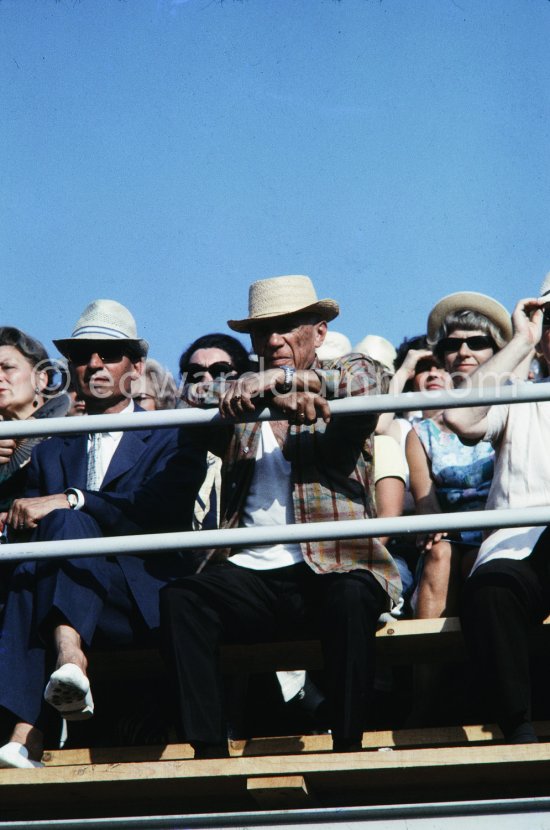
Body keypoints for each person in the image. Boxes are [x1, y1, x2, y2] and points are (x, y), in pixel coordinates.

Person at [160, 274, 401, 758]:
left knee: (353, 595)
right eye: (263, 331)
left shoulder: (345, 373)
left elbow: (372, 378)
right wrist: (269, 392)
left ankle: (348, 745)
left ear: (319, 332)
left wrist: (291, 380)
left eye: (289, 326)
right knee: (182, 600)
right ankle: (208, 754)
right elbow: (188, 399)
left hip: (331, 563)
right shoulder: (238, 390)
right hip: (248, 572)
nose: (274, 340)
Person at [0, 299, 205, 768]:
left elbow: (154, 509)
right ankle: (65, 667)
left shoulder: (171, 433)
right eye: (82, 354)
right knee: (29, 567)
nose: (94, 364)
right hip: (64, 592)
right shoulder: (51, 450)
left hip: (136, 595)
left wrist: (74, 499)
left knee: (62, 527)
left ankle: (30, 727)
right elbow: (30, 528)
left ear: (134, 367)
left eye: (108, 354)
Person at [444, 277, 550, 744]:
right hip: (521, 543)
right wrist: (519, 341)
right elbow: (460, 417)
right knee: (490, 590)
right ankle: (518, 729)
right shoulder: (521, 393)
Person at [407, 292, 512, 618]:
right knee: (440, 557)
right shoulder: (421, 433)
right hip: (448, 541)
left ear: (496, 350)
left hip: (504, 533)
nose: (463, 352)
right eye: (452, 345)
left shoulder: (515, 411)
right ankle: (427, 665)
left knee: (475, 560)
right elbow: (427, 505)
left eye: (477, 342)